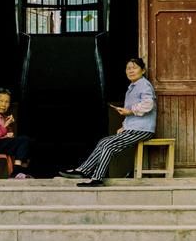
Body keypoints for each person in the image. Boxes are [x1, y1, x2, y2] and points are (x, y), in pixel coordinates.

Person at [59, 57, 156, 187]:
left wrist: (129, 111)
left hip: (143, 129)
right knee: (103, 141)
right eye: (128, 68)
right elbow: (132, 113)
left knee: (108, 145)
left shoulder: (143, 84)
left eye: (134, 68)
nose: (130, 71)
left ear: (143, 70)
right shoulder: (133, 87)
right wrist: (124, 126)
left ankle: (97, 178)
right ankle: (83, 170)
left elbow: (148, 104)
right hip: (134, 128)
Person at [0, 88, 33, 179]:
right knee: (24, 140)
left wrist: (8, 127)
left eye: (7, 102)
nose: (3, 105)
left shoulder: (0, 115)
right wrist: (5, 126)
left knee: (27, 142)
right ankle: (17, 172)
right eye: (1, 101)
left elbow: (6, 134)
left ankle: (22, 171)